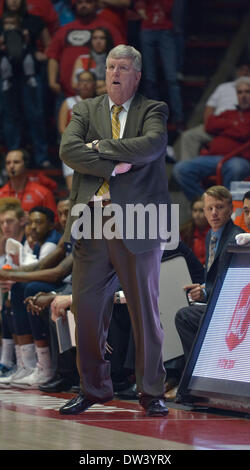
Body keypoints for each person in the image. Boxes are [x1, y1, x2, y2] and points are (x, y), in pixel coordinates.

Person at [59, 44, 171, 417]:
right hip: (91, 219)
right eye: (110, 67)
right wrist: (115, 164)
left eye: (123, 67)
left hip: (139, 219)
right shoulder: (86, 109)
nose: (114, 73)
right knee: (86, 312)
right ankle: (93, 389)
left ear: (136, 75)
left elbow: (151, 146)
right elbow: (68, 150)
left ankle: (151, 391)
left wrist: (101, 148)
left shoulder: (152, 110)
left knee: (145, 313)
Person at [175, 186, 244, 367]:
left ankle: (196, 373)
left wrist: (206, 292)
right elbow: (213, 278)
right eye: (209, 208)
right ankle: (183, 374)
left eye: (219, 207)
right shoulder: (211, 236)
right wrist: (203, 290)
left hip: (229, 307)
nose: (214, 213)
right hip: (215, 300)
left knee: (183, 316)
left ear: (230, 210)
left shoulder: (235, 238)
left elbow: (231, 284)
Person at [0, 206, 62, 388]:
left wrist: (11, 275)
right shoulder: (33, 242)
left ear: (51, 225)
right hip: (52, 287)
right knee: (12, 294)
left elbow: (47, 272)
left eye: (39, 223)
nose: (33, 227)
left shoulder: (52, 243)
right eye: (31, 223)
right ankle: (24, 365)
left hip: (63, 288)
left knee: (26, 289)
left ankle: (43, 367)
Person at [173, 77, 250, 201]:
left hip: (238, 159)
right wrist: (234, 125)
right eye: (240, 92)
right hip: (213, 157)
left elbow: (245, 132)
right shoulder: (229, 113)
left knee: (237, 168)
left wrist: (226, 126)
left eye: (247, 92)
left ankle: (225, 207)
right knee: (181, 169)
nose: (243, 95)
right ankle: (206, 203)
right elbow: (210, 125)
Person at [0, 0, 51, 168]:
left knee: (35, 115)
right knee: (10, 117)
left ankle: (41, 157)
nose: (13, 2)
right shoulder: (1, 22)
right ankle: (13, 158)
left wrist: (41, 55)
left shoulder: (34, 21)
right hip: (7, 77)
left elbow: (49, 46)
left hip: (30, 77)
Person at [46, 0, 124, 100]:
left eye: (88, 2)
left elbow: (122, 57)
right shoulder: (64, 29)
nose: (83, 5)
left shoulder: (108, 28)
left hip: (100, 95)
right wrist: (52, 82)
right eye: (80, 3)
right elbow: (53, 55)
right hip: (67, 94)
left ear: (95, 4)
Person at [179, 59, 250, 161]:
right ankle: (188, 168)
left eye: (248, 70)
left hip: (240, 126)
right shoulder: (223, 87)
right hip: (219, 124)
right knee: (188, 136)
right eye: (242, 69)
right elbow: (209, 107)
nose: (245, 72)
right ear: (237, 71)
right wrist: (211, 126)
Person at [134, 0, 184, 126]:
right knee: (150, 78)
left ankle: (178, 116)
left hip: (165, 29)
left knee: (171, 77)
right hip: (148, 29)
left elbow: (169, 9)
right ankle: (154, 117)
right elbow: (139, 6)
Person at [58, 70, 96, 190]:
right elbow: (62, 128)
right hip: (72, 150)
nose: (85, 84)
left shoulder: (101, 103)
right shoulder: (68, 103)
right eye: (82, 81)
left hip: (93, 151)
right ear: (77, 84)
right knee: (74, 191)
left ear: (94, 84)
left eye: (88, 80)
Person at [0, 149, 58, 216]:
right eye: (8, 163)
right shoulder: (1, 193)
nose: (11, 166)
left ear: (26, 164)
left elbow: (54, 222)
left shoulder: (43, 193)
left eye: (16, 162)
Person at [71, 27, 114, 95]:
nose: (98, 42)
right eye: (95, 38)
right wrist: (102, 84)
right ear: (91, 41)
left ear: (107, 40)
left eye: (102, 38)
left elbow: (119, 85)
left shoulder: (115, 61)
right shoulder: (82, 59)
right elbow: (75, 84)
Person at [180, 197, 209, 265]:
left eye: (201, 211)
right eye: (195, 210)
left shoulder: (216, 232)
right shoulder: (184, 232)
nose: (197, 215)